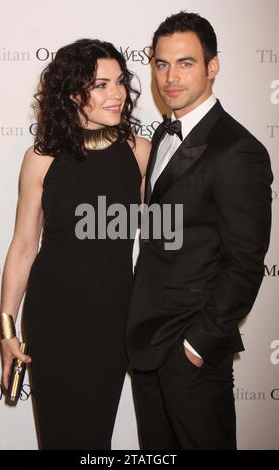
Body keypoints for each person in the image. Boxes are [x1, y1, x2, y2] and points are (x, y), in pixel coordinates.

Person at [126, 12, 273, 450]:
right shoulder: (161, 135)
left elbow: (245, 263)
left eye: (185, 63)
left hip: (191, 351)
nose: (170, 77)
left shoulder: (239, 151)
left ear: (213, 66)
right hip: (146, 343)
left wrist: (198, 344)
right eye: (161, 64)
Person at [0, 38, 150, 449]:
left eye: (119, 81)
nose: (116, 93)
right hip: (52, 321)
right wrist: (6, 327)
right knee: (57, 438)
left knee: (94, 439)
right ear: (71, 93)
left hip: (113, 321)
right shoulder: (41, 157)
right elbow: (25, 245)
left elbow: (162, 240)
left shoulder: (140, 154)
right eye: (100, 84)